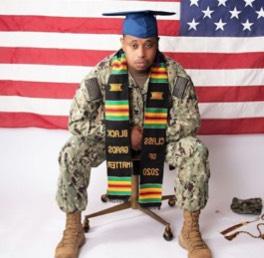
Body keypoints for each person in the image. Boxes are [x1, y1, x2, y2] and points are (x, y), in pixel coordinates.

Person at [54, 10, 212, 258]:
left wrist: (148, 135)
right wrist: (121, 135)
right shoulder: (103, 72)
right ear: (123, 44)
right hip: (112, 141)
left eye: (148, 45)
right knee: (71, 151)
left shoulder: (173, 73)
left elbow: (190, 121)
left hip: (159, 140)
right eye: (134, 45)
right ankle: (73, 227)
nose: (141, 53)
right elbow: (76, 121)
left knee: (195, 150)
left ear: (157, 44)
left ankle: (190, 230)